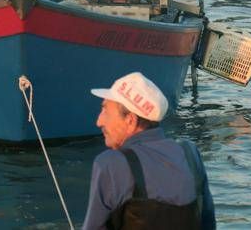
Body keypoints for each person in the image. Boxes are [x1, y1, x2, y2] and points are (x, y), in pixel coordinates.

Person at [83, 72, 216, 230]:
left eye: (105, 110)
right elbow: (208, 223)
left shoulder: (111, 164)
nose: (99, 121)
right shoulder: (190, 153)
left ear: (130, 120)